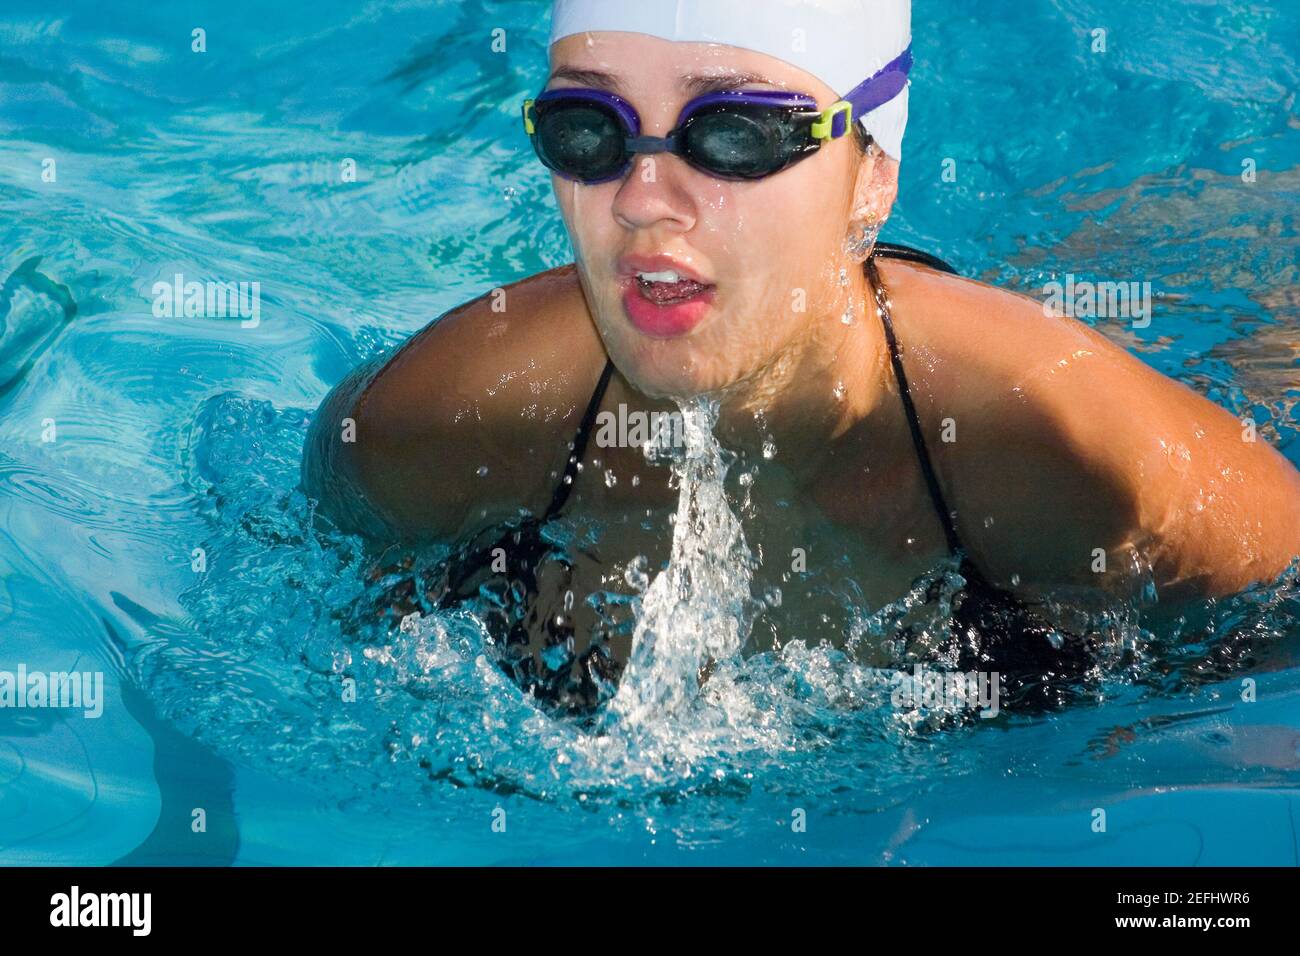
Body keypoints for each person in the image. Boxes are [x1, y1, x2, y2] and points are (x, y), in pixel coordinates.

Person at [302, 0, 1300, 714]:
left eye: (734, 134)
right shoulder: (428, 429)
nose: (644, 199)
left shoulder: (1074, 448)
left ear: (872, 176)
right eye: (587, 128)